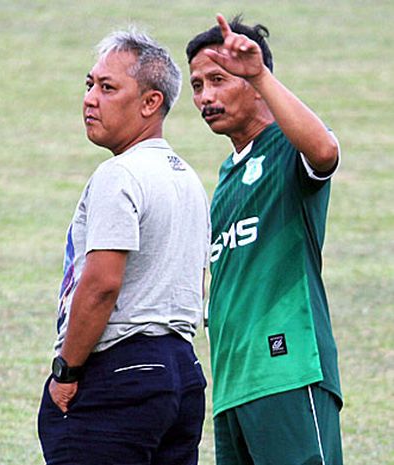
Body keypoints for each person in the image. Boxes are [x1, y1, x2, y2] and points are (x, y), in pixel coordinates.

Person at [37, 29, 210, 465]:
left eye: (108, 87)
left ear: (151, 103)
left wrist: (67, 371)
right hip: (182, 374)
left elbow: (101, 286)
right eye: (90, 84)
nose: (91, 98)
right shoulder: (187, 178)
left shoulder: (119, 175)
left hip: (120, 371)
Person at [186, 14, 343, 465]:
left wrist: (260, 73)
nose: (206, 97)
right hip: (233, 386)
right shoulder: (226, 177)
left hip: (288, 372)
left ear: (256, 82)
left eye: (218, 79)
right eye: (197, 85)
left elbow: (326, 152)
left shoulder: (286, 149)